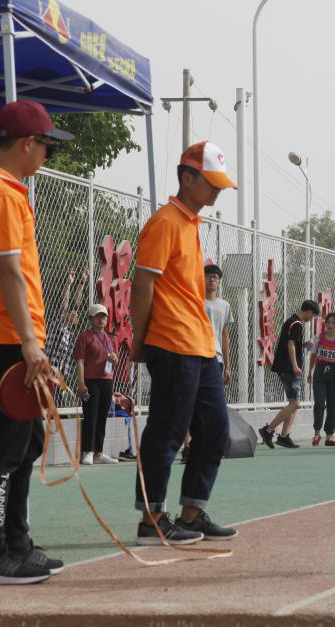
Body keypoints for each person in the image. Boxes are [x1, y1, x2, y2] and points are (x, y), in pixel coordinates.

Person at [0, 101, 72, 584]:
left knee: (25, 444)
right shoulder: (0, 195)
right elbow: (8, 273)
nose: (47, 155)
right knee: (2, 449)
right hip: (5, 339)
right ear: (27, 144)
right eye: (46, 146)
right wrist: (29, 342)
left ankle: (15, 543)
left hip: (5, 336)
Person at [130, 140, 238, 545]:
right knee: (167, 431)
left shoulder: (191, 223)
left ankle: (190, 515)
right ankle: (152, 519)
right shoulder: (165, 222)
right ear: (187, 178)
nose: (217, 190)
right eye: (211, 182)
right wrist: (139, 339)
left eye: (220, 184)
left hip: (201, 345)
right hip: (173, 342)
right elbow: (142, 286)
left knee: (215, 430)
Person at [182, 263, 233, 463]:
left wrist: (227, 365)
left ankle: (206, 445)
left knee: (213, 406)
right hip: (194, 355)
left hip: (216, 359)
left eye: (215, 277)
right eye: (208, 276)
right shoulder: (194, 301)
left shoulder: (224, 305)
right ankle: (188, 446)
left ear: (219, 281)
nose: (212, 279)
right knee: (190, 403)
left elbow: (225, 336)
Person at [258, 300, 320, 450]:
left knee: (293, 403)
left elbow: (292, 343)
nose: (310, 319)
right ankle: (268, 430)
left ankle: (284, 436)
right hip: (288, 368)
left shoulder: (291, 321)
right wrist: (295, 365)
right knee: (295, 403)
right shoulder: (297, 323)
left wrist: (303, 345)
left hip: (285, 366)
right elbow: (290, 344)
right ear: (309, 312)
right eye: (312, 316)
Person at [73, 303, 119, 465]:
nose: (101, 319)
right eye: (98, 316)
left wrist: (115, 358)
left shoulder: (109, 337)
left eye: (104, 316)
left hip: (107, 380)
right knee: (91, 415)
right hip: (90, 380)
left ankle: (98, 452)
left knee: (102, 416)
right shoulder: (85, 336)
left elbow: (115, 359)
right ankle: (88, 452)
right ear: (91, 318)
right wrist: (81, 383)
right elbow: (80, 361)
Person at [307, 312, 335, 446]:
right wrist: (310, 372)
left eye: (334, 323)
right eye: (328, 322)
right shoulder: (319, 337)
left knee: (332, 405)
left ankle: (329, 436)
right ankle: (317, 433)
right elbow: (313, 355)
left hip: (334, 373)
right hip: (320, 372)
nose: (330, 325)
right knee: (319, 403)